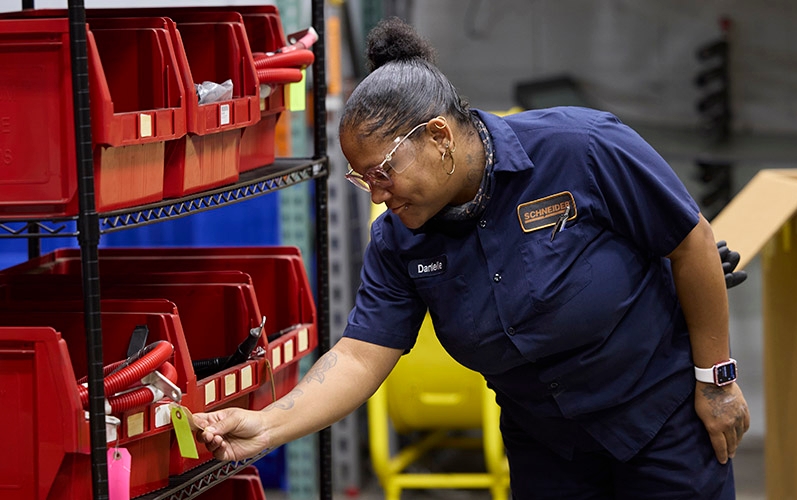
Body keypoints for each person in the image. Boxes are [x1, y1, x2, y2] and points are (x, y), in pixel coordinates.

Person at [195, 17, 750, 499]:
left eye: (383, 173)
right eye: (363, 179)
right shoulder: (398, 241)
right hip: (548, 453)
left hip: (664, 423)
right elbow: (362, 356)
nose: (377, 195)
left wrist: (717, 381)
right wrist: (267, 425)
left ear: (438, 136)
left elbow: (690, 242)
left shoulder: (580, 149)